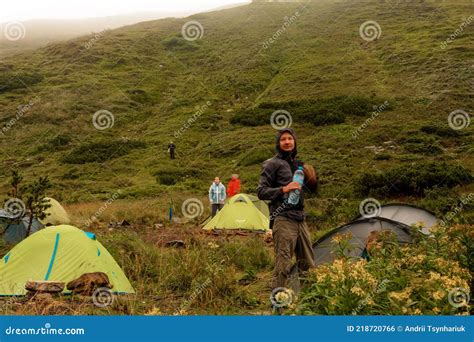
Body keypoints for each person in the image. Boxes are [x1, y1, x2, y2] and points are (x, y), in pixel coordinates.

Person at [257, 128, 318, 290]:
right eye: (283, 139)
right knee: (282, 265)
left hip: (300, 219)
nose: (287, 142)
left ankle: (309, 306)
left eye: (290, 139)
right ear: (278, 143)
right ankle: (277, 305)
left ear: (295, 142)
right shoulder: (272, 164)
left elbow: (312, 189)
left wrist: (312, 178)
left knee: (308, 265)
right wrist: (284, 189)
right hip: (283, 218)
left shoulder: (299, 165)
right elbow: (261, 192)